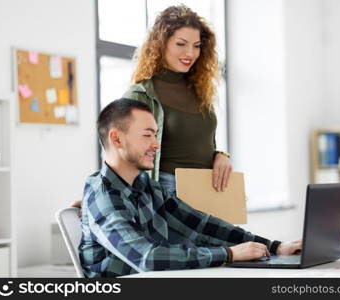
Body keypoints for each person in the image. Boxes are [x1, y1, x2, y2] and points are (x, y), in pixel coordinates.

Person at [79, 98, 301, 278]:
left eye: (155, 135)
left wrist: (275, 247)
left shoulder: (145, 185)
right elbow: (148, 258)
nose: (156, 144)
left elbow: (200, 224)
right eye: (147, 135)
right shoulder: (103, 196)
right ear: (116, 139)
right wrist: (228, 254)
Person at [123, 5, 231, 194]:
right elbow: (121, 156)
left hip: (209, 190)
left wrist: (220, 156)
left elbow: (200, 144)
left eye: (196, 46)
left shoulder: (199, 92)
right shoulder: (141, 95)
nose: (190, 53)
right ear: (161, 43)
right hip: (168, 191)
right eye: (181, 44)